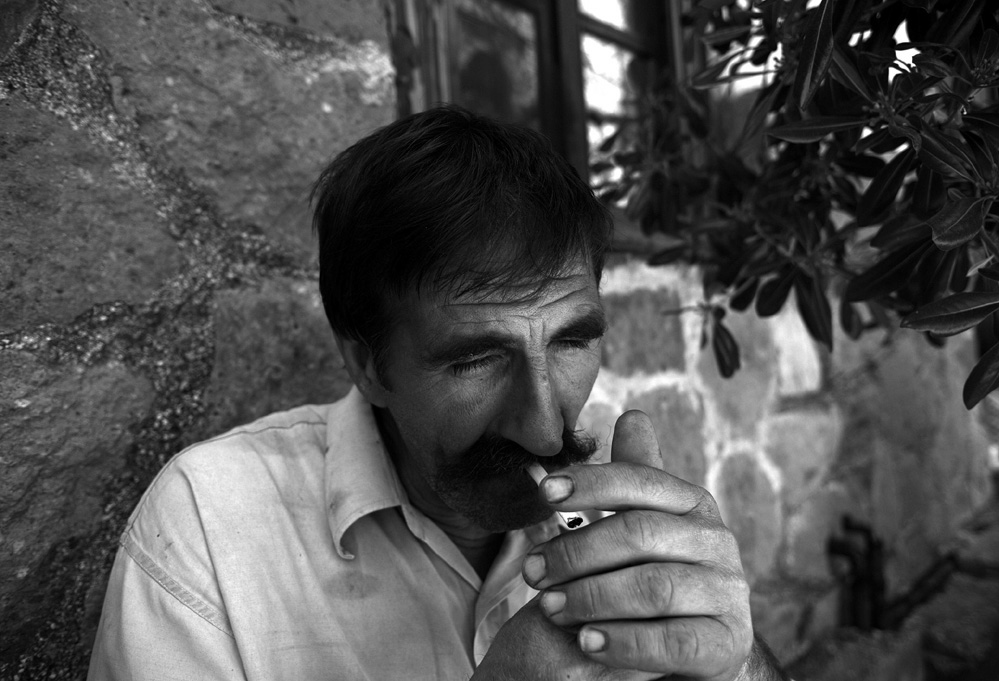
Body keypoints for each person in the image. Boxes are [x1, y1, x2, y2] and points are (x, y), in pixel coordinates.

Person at [88, 105, 787, 680]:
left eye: (571, 342)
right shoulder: (209, 529)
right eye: (476, 360)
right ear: (368, 365)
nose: (546, 430)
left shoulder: (622, 519)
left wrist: (736, 664)